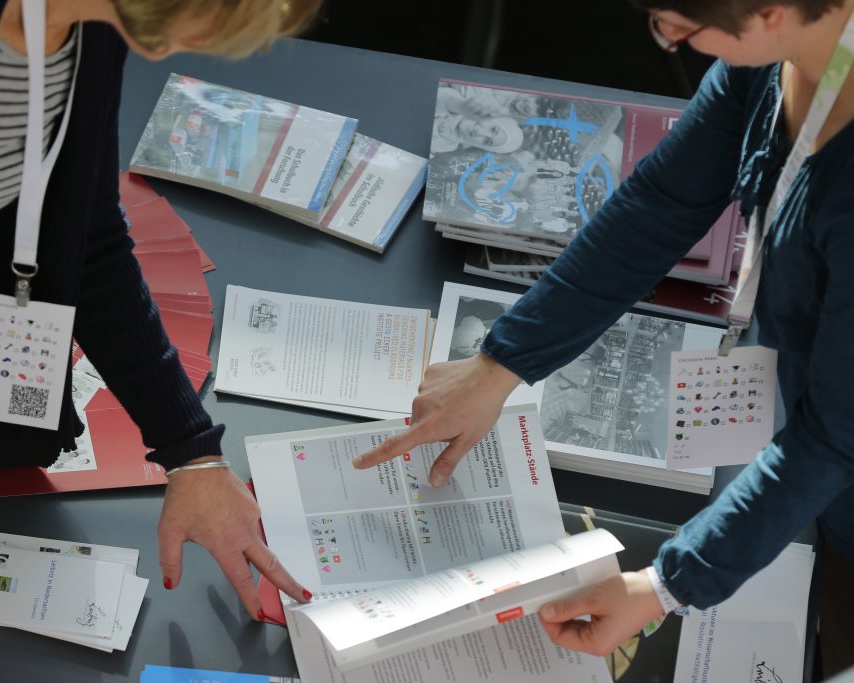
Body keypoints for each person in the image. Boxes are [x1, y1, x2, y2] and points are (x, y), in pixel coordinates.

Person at [355, 0, 854, 676]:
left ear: (766, 12)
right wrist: (502, 361)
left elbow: (831, 438)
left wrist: (664, 585)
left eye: (676, 26)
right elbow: (660, 205)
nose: (671, 42)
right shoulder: (778, 57)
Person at [0, 0, 321, 617]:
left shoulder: (89, 30)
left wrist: (191, 452)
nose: (180, 49)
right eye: (216, 21)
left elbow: (85, 236)